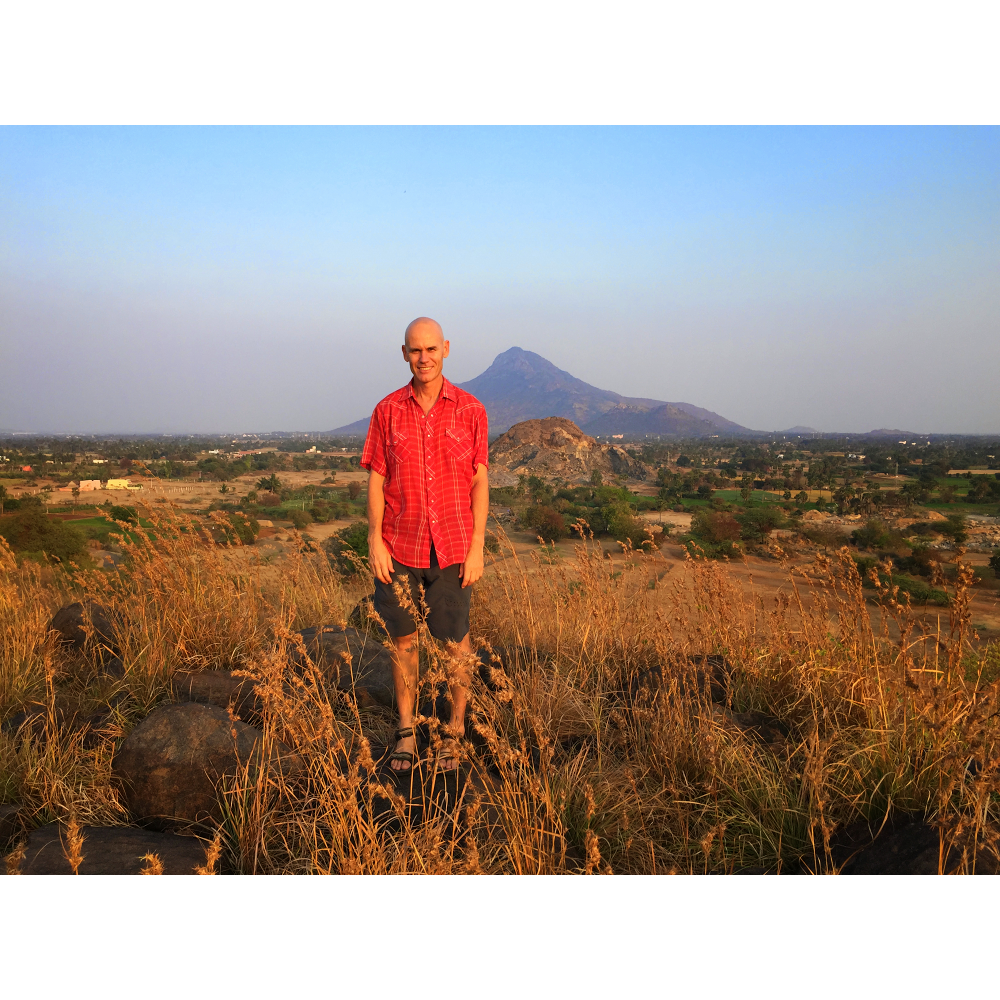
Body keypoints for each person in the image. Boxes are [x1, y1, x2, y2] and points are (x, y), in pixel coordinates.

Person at [361, 317, 489, 772]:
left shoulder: (471, 410)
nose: (424, 358)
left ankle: (454, 734)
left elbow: (479, 482)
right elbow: (376, 479)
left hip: (453, 548)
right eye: (416, 350)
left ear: (446, 349)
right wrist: (374, 540)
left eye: (431, 349)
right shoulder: (387, 410)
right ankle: (407, 733)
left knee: (455, 643)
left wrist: (476, 546)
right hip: (399, 546)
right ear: (404, 354)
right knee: (404, 643)